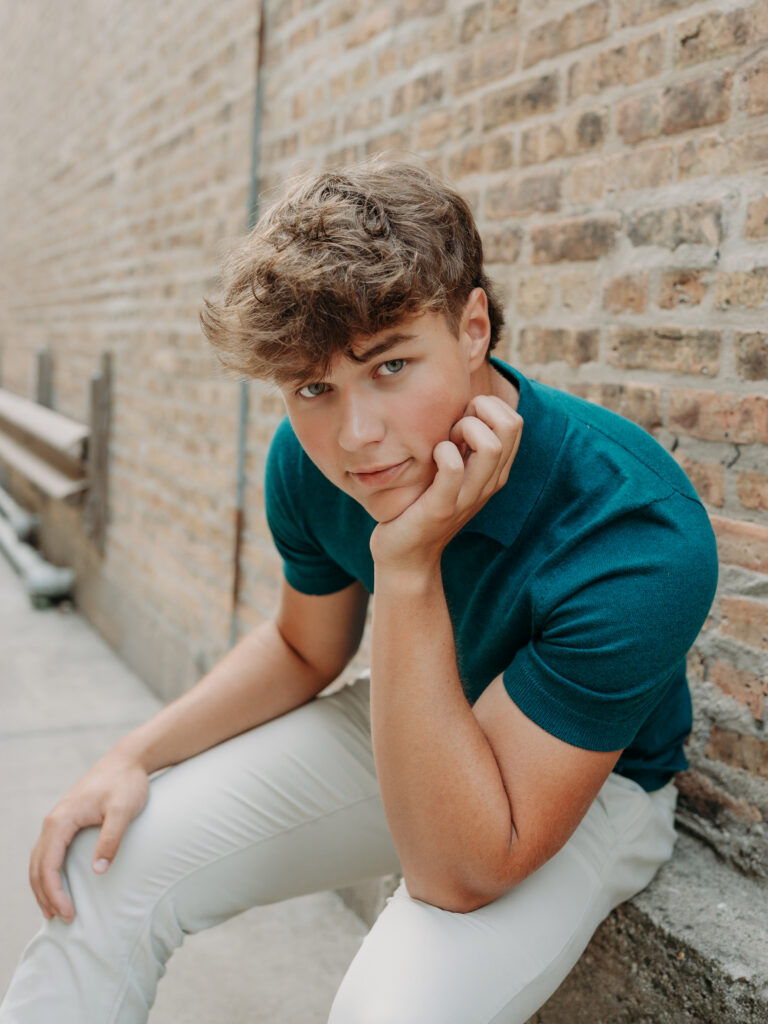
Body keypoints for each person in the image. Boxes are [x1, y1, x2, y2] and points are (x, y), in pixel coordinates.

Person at [0, 157, 718, 1024]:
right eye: (313, 388)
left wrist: (408, 566)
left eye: (389, 366)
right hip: (413, 711)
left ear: (474, 327)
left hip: (582, 786)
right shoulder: (314, 465)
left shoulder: (631, 525)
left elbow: (460, 869)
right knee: (101, 863)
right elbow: (305, 646)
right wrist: (130, 757)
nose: (357, 437)